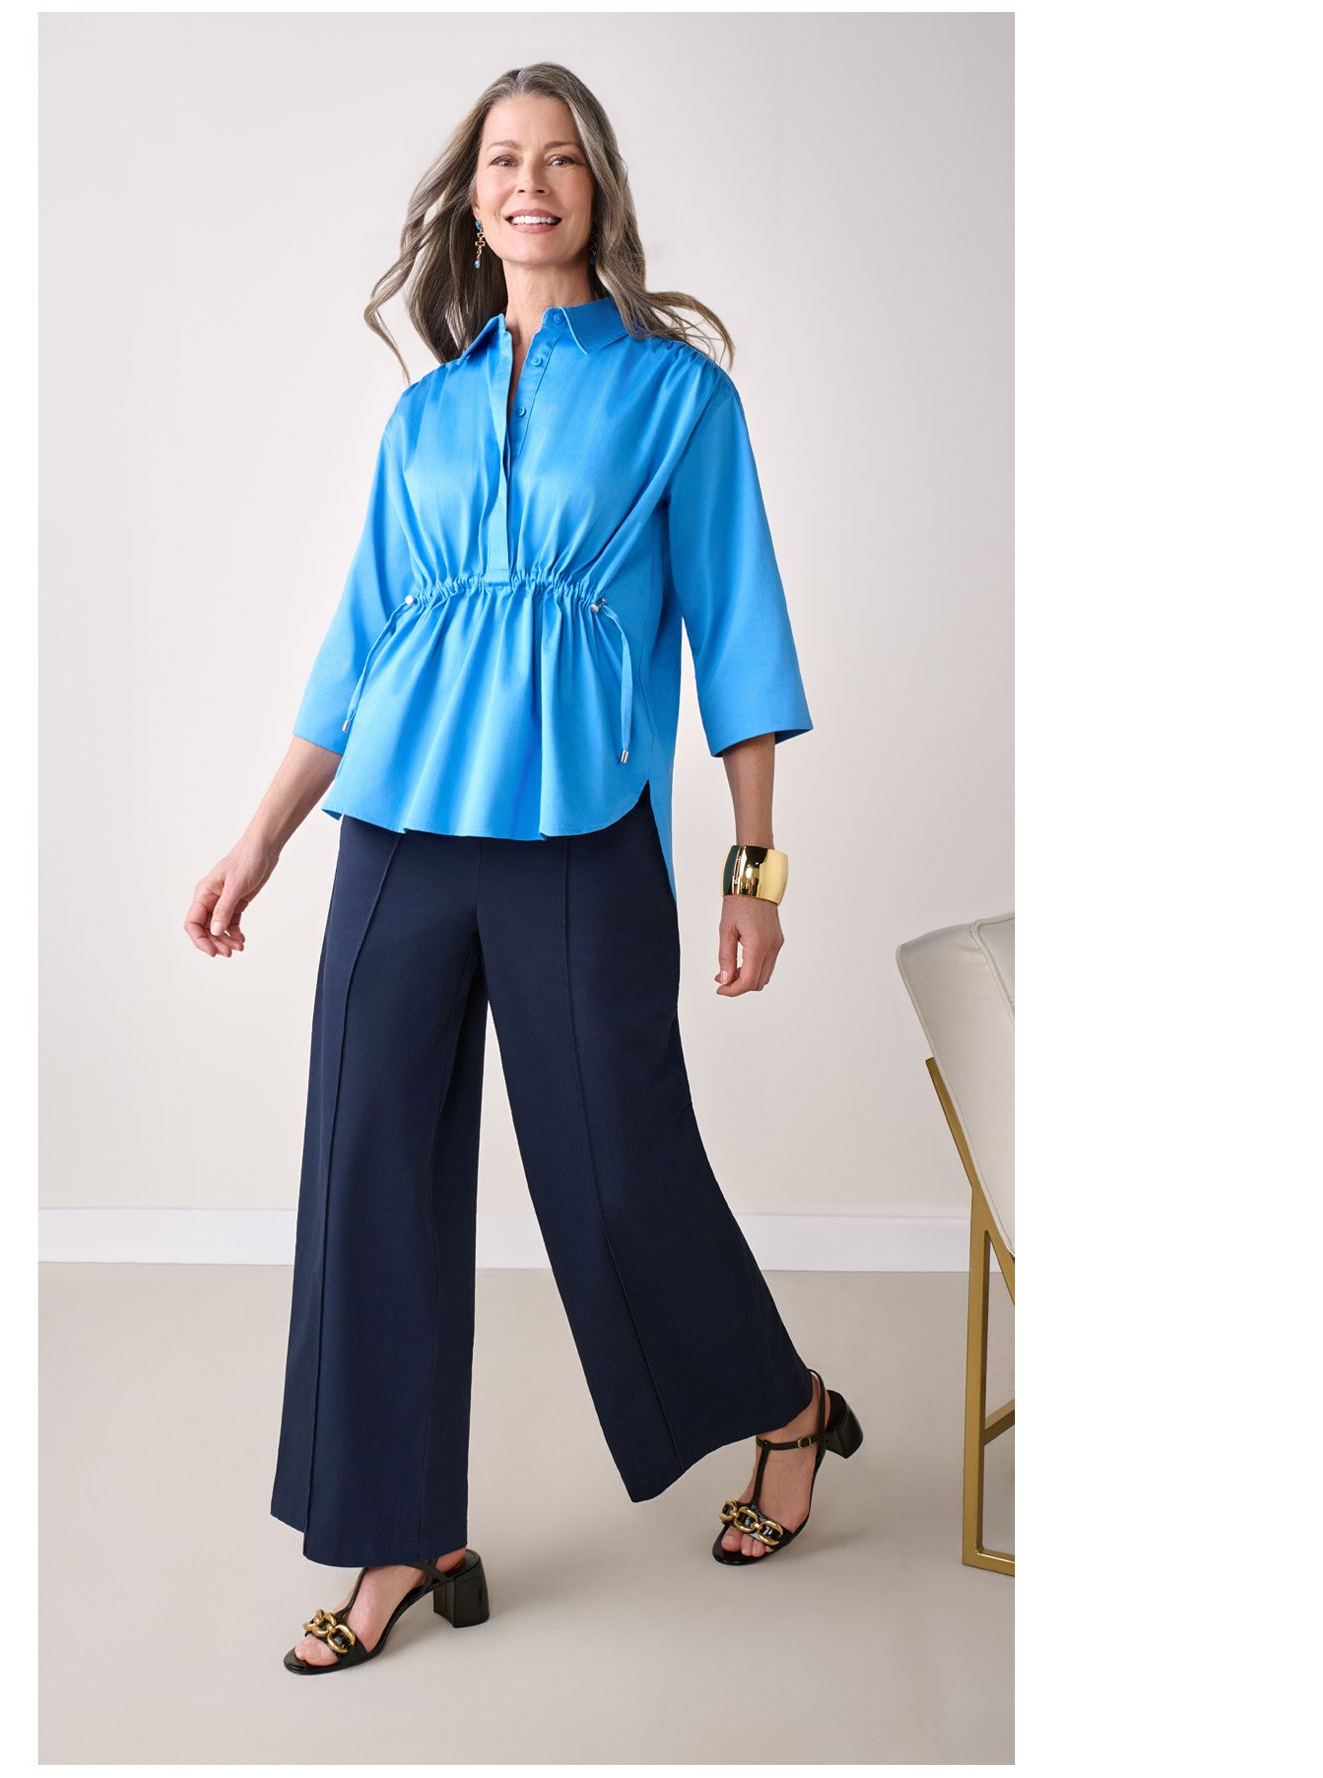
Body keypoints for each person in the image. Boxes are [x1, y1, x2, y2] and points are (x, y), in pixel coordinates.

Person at [182, 64, 862, 1675]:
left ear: (597, 190)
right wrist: (260, 837)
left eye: (560, 159)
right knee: (367, 1172)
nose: (530, 181)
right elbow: (362, 645)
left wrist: (754, 868)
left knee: (618, 1173)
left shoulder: (679, 396)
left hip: (576, 832)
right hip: (399, 835)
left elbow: (739, 637)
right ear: (474, 197)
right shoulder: (421, 416)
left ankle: (787, 1407)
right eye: (504, 159)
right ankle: (401, 1531)